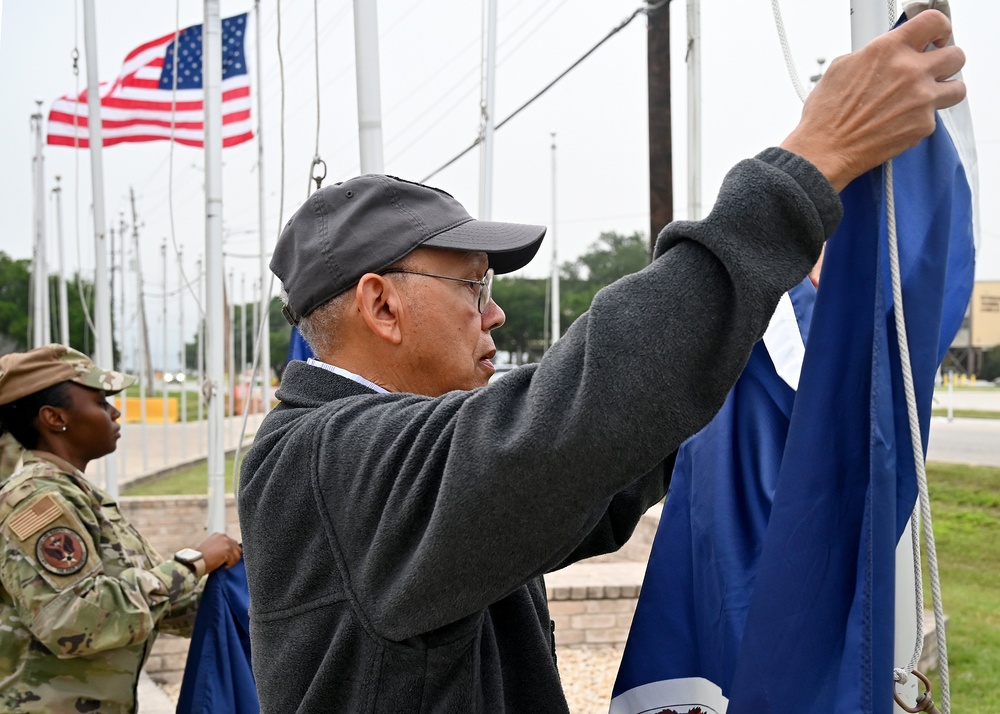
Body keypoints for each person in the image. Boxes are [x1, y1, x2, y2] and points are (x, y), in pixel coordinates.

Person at [238, 10, 966, 713]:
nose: (491, 313)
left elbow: (602, 465)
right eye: (473, 286)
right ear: (381, 306)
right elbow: (573, 420)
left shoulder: (386, 471)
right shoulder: (322, 463)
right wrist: (811, 164)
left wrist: (769, 321)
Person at [0, 343, 243, 713]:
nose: (115, 412)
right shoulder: (37, 500)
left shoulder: (79, 495)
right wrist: (194, 562)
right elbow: (73, 620)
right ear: (54, 418)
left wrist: (240, 591)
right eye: (99, 402)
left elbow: (150, 608)